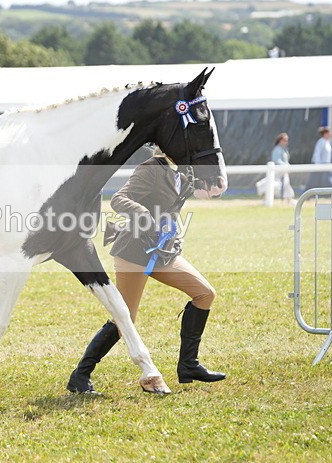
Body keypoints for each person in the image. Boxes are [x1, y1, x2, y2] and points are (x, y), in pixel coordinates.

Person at [66, 150, 225, 395]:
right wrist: (144, 215)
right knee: (124, 318)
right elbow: (120, 198)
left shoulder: (182, 170)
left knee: (205, 294)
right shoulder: (150, 168)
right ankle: (80, 375)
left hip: (163, 253)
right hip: (134, 252)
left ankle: (189, 365)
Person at [270, 132, 294, 201]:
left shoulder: (284, 149)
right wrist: (285, 167)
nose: (286, 142)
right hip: (278, 171)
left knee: (286, 184)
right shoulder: (277, 149)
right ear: (280, 140)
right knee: (276, 185)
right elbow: (276, 160)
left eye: (287, 140)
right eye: (284, 140)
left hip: (283, 171)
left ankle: (288, 199)